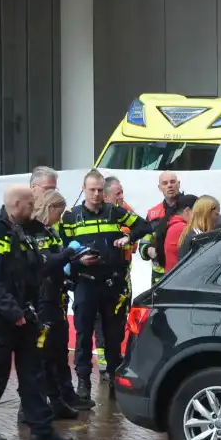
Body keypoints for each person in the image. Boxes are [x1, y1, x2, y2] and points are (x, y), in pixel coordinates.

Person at [0, 185, 74, 440]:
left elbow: (36, 265)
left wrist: (65, 257)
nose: (34, 208)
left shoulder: (21, 232)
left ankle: (42, 429)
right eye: (30, 203)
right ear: (16, 204)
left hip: (25, 314)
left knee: (33, 374)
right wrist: (12, 312)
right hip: (1, 319)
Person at [59, 170, 151, 402]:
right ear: (84, 189)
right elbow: (63, 250)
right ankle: (83, 383)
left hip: (112, 283)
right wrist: (77, 260)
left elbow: (144, 226)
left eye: (100, 190)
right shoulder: (71, 217)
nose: (97, 194)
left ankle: (113, 379)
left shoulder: (116, 213)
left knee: (113, 335)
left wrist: (128, 238)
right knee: (83, 335)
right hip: (85, 284)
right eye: (92, 190)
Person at [23, 189, 91, 415]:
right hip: (44, 299)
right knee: (44, 354)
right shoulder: (35, 233)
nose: (60, 218)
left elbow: (57, 259)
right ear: (49, 208)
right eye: (58, 213)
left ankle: (62, 397)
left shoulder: (50, 232)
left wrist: (74, 260)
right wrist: (68, 255)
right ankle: (33, 405)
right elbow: (46, 263)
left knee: (59, 352)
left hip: (56, 296)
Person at [94, 175, 135, 382]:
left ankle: (114, 354)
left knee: (121, 314)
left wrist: (128, 238)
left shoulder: (126, 211)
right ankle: (103, 359)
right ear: (107, 194)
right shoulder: (98, 213)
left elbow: (139, 236)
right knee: (101, 317)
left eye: (122, 192)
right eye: (117, 193)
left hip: (123, 272)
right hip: (101, 273)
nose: (121, 196)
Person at [139, 171, 185, 286]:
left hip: (186, 273)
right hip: (160, 278)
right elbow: (143, 243)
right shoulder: (153, 214)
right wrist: (149, 250)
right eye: (165, 183)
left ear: (179, 184)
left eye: (172, 182)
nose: (169, 185)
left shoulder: (191, 207)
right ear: (160, 188)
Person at [176, 196, 221, 262]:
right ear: (207, 213)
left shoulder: (190, 232)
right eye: (217, 213)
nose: (219, 216)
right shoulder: (199, 237)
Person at [163, 194, 201, 271]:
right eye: (198, 213)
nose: (199, 217)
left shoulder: (175, 225)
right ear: (187, 211)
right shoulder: (182, 228)